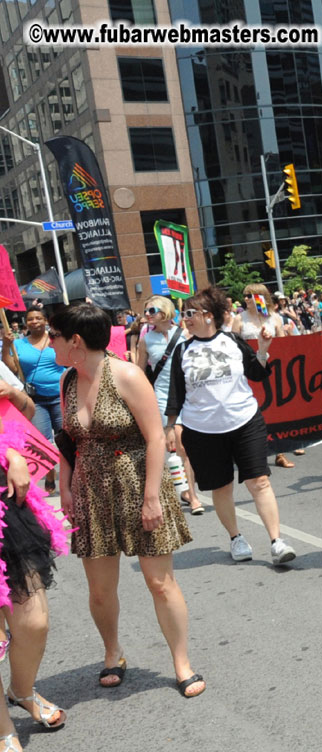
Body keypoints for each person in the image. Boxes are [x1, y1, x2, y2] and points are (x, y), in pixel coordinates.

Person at [52, 303, 203, 698]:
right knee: (100, 591)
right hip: (91, 491)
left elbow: (155, 438)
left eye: (55, 336)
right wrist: (65, 487)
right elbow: (68, 440)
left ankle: (182, 662)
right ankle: (112, 652)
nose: (50, 342)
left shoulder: (127, 375)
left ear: (75, 341)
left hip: (138, 484)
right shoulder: (68, 380)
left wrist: (152, 498)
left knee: (159, 582)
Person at [166, 287, 297, 567]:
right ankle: (236, 537)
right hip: (202, 430)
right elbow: (176, 393)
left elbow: (258, 373)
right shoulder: (183, 351)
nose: (185, 318)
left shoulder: (232, 341)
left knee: (259, 481)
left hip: (245, 421)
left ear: (209, 316)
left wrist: (263, 349)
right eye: (184, 313)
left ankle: (276, 541)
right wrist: (170, 427)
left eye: (190, 313)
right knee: (221, 487)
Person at [0, 376, 70, 752]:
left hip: (7, 510)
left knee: (35, 621)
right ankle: (2, 728)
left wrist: (12, 454)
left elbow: (22, 412)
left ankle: (22, 690)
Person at [133, 297, 204, 516]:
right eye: (145, 311)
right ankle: (192, 496)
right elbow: (139, 372)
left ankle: (186, 489)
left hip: (188, 394)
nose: (147, 314)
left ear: (165, 311)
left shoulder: (184, 334)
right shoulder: (146, 340)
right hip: (162, 397)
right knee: (180, 445)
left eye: (152, 310)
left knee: (186, 446)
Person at [233, 284, 296, 468]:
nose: (245, 299)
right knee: (256, 409)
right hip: (250, 369)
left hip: (273, 368)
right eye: (245, 295)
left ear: (260, 297)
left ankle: (279, 452)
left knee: (275, 407)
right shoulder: (239, 319)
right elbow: (232, 344)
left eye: (250, 296)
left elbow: (283, 344)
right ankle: (253, 452)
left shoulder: (274, 318)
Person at [3, 309, 65, 491]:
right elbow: (12, 368)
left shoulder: (55, 340)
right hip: (36, 399)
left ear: (45, 321)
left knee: (65, 439)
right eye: (30, 319)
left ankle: (69, 476)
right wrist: (6, 346)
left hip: (60, 396)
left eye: (38, 318)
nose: (34, 321)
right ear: (26, 322)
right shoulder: (18, 344)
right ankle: (50, 474)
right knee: (42, 441)